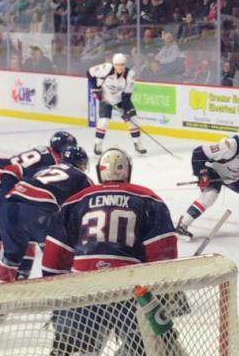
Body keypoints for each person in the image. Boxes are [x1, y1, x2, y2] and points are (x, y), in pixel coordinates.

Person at [41, 148, 177, 355]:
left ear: (99, 172)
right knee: (149, 345)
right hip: (130, 289)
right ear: (128, 171)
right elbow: (163, 254)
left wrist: (60, 297)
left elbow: (53, 258)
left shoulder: (75, 201)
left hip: (84, 289)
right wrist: (161, 293)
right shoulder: (148, 199)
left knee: (70, 347)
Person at [0, 146, 92, 284]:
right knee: (56, 256)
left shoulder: (44, 169)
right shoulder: (82, 177)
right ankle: (60, 294)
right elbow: (91, 203)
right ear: (81, 163)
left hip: (8, 207)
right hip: (37, 212)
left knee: (10, 258)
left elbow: (10, 170)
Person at [0, 131, 78, 276]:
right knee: (25, 231)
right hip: (0, 184)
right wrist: (9, 196)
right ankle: (21, 275)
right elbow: (11, 173)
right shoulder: (56, 163)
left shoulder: (44, 151)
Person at [175, 123, 239, 239]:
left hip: (236, 173)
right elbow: (198, 153)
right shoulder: (229, 146)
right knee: (210, 196)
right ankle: (182, 225)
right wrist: (202, 174)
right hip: (215, 171)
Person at [89, 52, 146, 156]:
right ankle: (98, 144)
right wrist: (95, 88)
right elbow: (90, 73)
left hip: (120, 99)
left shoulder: (130, 74)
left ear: (125, 64)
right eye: (117, 65)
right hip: (105, 98)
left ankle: (138, 144)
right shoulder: (106, 68)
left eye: (122, 64)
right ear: (114, 64)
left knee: (133, 119)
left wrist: (125, 111)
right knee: (104, 120)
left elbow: (127, 95)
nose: (120, 67)